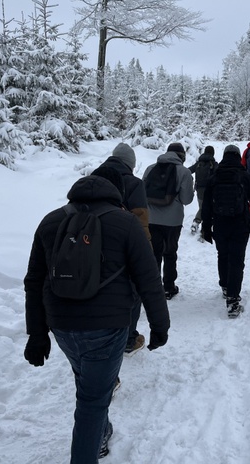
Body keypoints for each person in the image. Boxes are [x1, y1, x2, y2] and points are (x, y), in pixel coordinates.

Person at [23, 174, 170, 463]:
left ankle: (100, 431)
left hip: (62, 325)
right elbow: (149, 278)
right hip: (108, 327)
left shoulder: (51, 221)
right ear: (114, 198)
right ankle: (90, 446)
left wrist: (37, 333)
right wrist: (159, 325)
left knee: (88, 380)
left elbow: (34, 280)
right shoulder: (126, 222)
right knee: (92, 401)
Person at [93, 142, 149, 355]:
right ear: (130, 164)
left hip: (90, 246)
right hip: (123, 248)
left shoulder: (93, 178)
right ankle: (128, 339)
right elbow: (141, 221)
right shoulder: (134, 184)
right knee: (131, 294)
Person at [201, 145, 250, 318]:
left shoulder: (214, 177)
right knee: (236, 260)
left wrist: (206, 227)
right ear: (238, 157)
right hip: (240, 223)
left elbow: (206, 206)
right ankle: (233, 300)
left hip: (220, 224)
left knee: (223, 255)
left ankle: (225, 286)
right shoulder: (245, 176)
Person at [143, 143, 194, 300]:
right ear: (182, 155)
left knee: (153, 254)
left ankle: (153, 287)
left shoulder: (150, 168)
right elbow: (186, 199)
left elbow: (142, 192)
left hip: (151, 218)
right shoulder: (184, 172)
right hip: (173, 221)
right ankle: (169, 288)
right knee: (170, 253)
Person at [188, 145, 218, 234]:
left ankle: (197, 223)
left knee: (202, 207)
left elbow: (188, 171)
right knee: (206, 208)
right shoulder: (214, 164)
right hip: (210, 190)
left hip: (199, 189)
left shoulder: (199, 163)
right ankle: (199, 223)